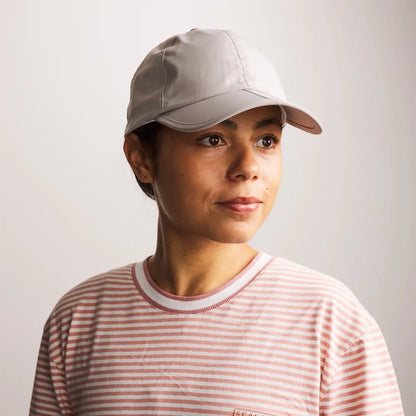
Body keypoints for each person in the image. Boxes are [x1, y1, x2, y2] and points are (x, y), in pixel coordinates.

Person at [29, 28, 404, 416]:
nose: (248, 168)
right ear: (141, 158)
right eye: (212, 139)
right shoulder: (78, 320)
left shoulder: (329, 321)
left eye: (266, 141)